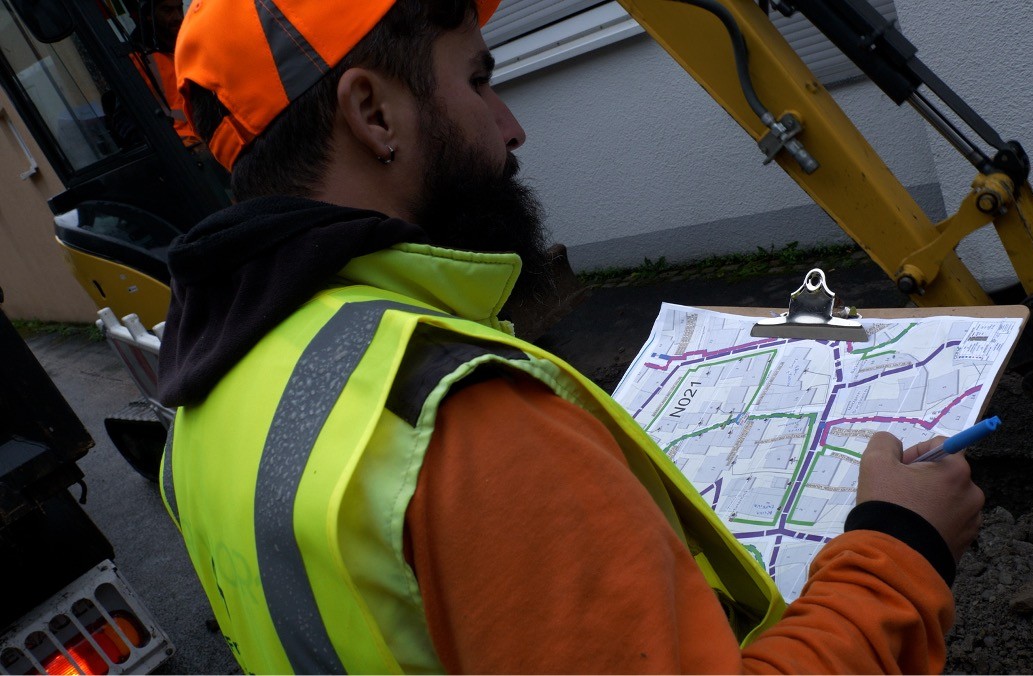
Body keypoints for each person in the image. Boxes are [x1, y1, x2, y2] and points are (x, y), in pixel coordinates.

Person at [157, 0, 985, 673]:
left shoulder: (209, 413)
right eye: (478, 82)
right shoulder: (458, 416)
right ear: (374, 113)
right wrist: (898, 548)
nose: (511, 127)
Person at [109, 0, 200, 148]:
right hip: (185, 149)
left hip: (213, 139)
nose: (177, 16)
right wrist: (169, 146)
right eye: (167, 10)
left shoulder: (190, 46)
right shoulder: (136, 60)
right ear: (148, 16)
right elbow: (125, 122)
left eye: (179, 8)